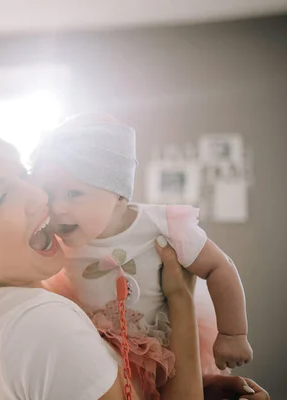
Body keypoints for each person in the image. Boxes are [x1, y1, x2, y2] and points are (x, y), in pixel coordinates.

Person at [0, 119, 268, 400]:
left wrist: (195, 387)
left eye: (23, 173)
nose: (40, 197)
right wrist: (179, 299)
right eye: (1, 197)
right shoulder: (45, 321)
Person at [31, 114, 253, 397]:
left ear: (119, 195)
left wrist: (233, 334)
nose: (58, 207)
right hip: (96, 352)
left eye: (74, 193)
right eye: (49, 194)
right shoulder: (54, 235)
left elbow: (219, 267)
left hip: (159, 347)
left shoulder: (163, 226)